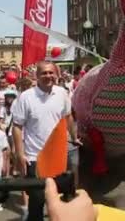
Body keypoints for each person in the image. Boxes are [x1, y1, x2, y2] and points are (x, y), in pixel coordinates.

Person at [12, 61, 80, 221]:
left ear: (56, 75)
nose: (48, 76)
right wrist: (20, 154)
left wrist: (74, 137)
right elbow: (17, 126)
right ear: (37, 76)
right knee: (37, 200)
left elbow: (67, 116)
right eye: (44, 73)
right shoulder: (26, 97)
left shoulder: (62, 93)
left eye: (51, 73)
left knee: (60, 199)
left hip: (58, 157)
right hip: (34, 158)